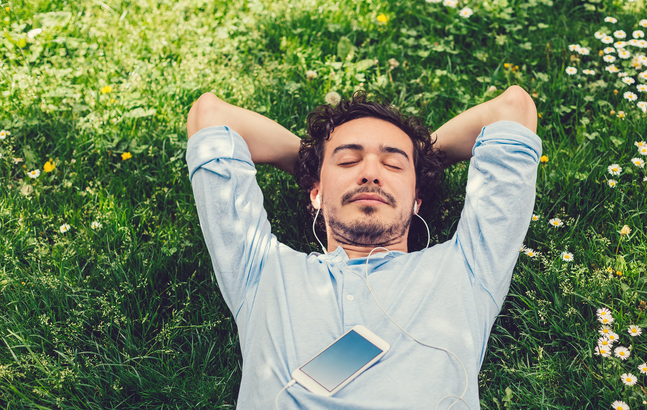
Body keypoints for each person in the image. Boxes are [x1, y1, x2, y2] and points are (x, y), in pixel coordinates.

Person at [185, 85, 541, 409]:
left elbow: (512, 109)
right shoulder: (260, 270)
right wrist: (314, 161)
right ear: (316, 194)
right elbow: (211, 116)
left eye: (392, 164)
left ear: (416, 201)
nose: (370, 173)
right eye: (348, 161)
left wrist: (423, 158)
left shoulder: (468, 268)